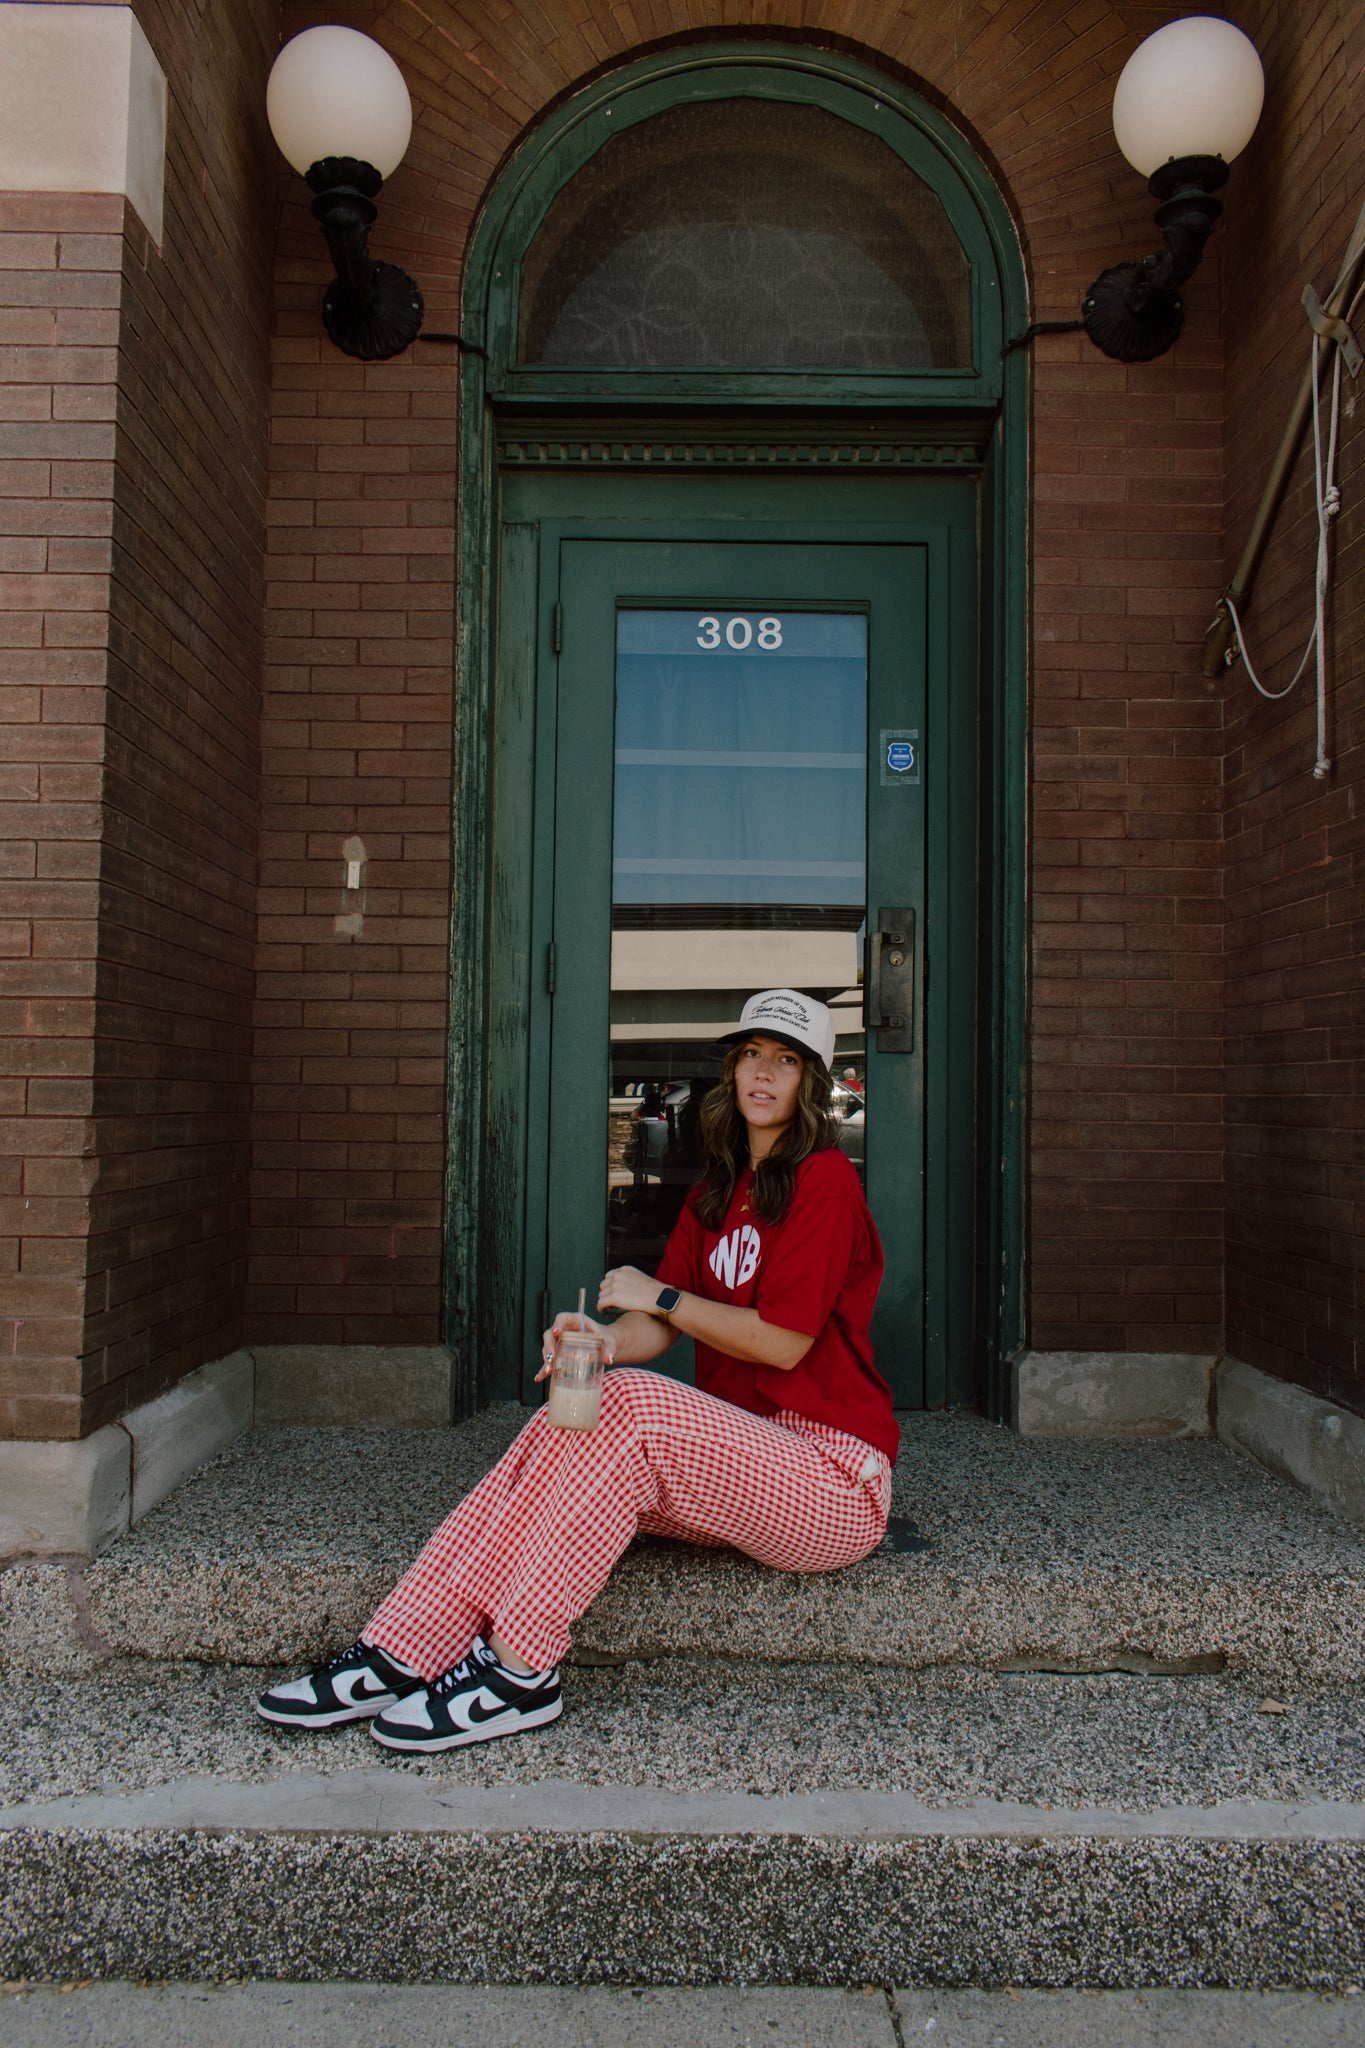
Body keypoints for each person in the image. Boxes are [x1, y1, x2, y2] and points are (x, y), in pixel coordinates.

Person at [257, 987, 898, 1753]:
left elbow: (784, 1343)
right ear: (731, 1072)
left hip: (831, 1481)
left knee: (626, 1408)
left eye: (786, 1061)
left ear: (811, 1084)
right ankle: (401, 1652)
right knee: (563, 1418)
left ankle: (522, 1671)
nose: (763, 1074)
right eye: (751, 1055)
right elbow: (655, 1328)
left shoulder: (824, 1182)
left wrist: (659, 1292)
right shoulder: (713, 1194)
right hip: (742, 1468)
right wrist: (595, 1342)